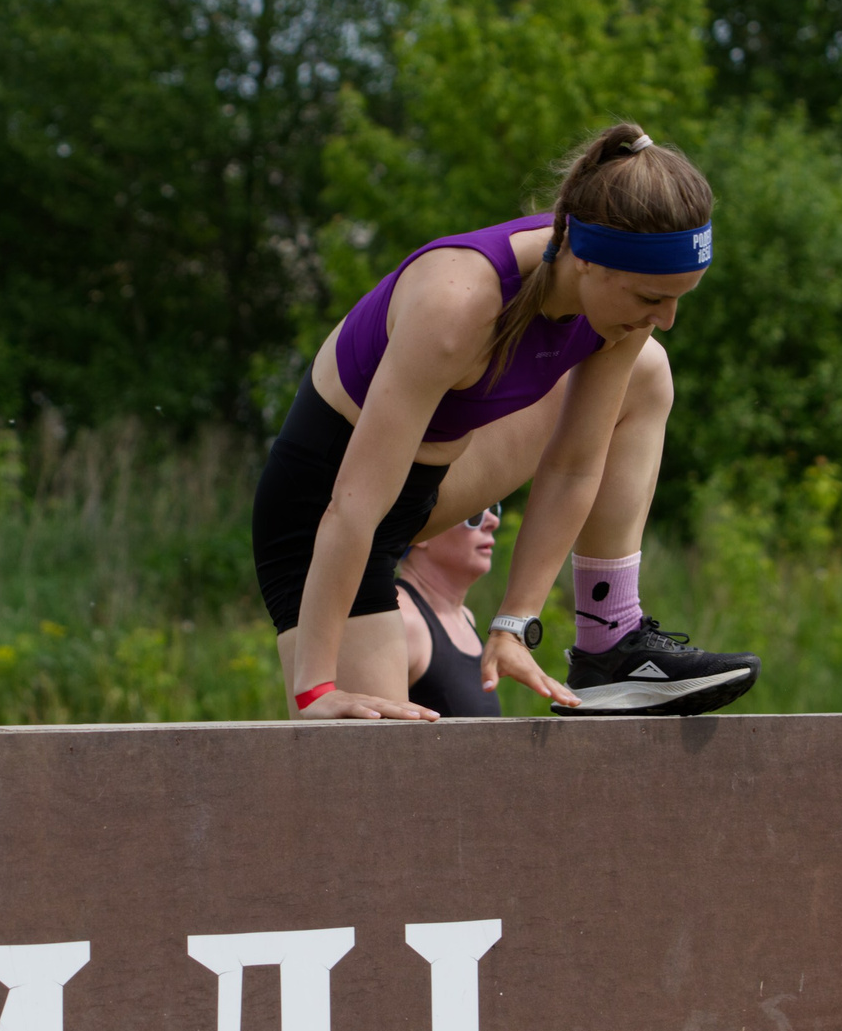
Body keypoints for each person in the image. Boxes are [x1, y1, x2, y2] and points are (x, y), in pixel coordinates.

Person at [253, 122, 760, 720]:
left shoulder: (618, 304)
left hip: (430, 485)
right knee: (373, 778)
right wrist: (314, 690)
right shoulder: (458, 302)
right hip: (325, 518)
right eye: (652, 298)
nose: (667, 317)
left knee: (648, 369)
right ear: (589, 260)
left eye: (680, 297)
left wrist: (513, 624)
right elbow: (353, 506)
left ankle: (609, 641)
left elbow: (573, 467)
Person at [394, 504, 504, 718]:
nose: (493, 522)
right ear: (421, 534)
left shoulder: (465, 616)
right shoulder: (403, 621)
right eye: (474, 513)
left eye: (494, 509)